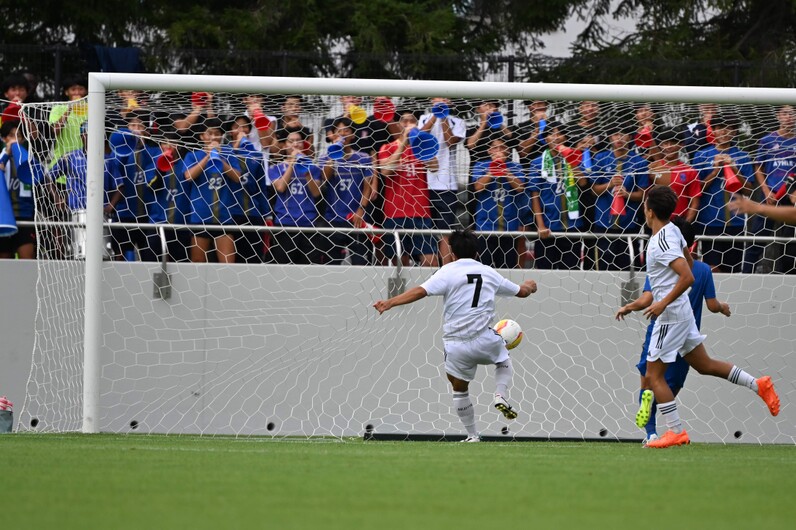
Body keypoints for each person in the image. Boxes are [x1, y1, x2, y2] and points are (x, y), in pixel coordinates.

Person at [619, 185, 779, 448]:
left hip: (670, 315)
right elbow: (689, 263)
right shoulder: (674, 231)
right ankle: (758, 384)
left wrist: (662, 302)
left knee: (653, 376)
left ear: (649, 211)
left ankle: (675, 431)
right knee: (705, 365)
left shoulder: (658, 242)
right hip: (682, 313)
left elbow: (688, 275)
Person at [373, 228, 538, 442]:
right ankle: (500, 394)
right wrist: (530, 286)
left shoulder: (447, 271)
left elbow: (420, 291)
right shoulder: (488, 272)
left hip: (456, 344)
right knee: (503, 358)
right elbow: (521, 292)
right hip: (485, 340)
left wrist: (390, 302)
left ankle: (472, 435)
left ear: (452, 252)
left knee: (459, 389)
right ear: (477, 252)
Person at [616, 216, 731, 445]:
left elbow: (647, 298)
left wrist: (630, 306)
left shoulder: (660, 258)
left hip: (662, 326)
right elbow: (711, 305)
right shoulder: (703, 270)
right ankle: (666, 426)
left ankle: (652, 433)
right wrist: (722, 308)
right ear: (693, 244)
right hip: (687, 331)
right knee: (672, 384)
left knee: (649, 378)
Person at [691, 113, 754, 273]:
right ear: (714, 130)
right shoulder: (701, 155)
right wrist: (715, 171)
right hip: (709, 222)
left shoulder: (743, 156)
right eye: (720, 128)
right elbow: (696, 189)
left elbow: (749, 190)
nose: (724, 132)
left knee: (732, 271)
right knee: (712, 269)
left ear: (734, 132)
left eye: (729, 128)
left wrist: (734, 168)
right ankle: (712, 298)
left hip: (736, 222)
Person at [377, 108, 439, 267]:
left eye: (412, 121)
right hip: (395, 212)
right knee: (399, 262)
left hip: (420, 211)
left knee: (430, 261)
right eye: (405, 121)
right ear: (398, 125)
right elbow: (385, 171)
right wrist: (403, 142)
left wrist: (421, 144)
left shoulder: (421, 146)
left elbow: (435, 167)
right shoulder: (386, 147)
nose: (409, 124)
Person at [528, 121, 587, 270]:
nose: (556, 137)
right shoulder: (537, 163)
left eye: (559, 133)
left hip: (572, 226)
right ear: (545, 139)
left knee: (571, 273)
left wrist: (572, 161)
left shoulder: (574, 158)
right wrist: (540, 225)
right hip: (548, 227)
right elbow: (535, 196)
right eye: (551, 134)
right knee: (545, 273)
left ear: (565, 137)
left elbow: (583, 183)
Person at [182, 118, 243, 263]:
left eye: (217, 133)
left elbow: (237, 177)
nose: (214, 137)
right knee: (198, 263)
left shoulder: (228, 154)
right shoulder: (193, 155)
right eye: (210, 133)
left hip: (224, 218)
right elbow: (188, 176)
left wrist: (219, 158)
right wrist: (208, 156)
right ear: (202, 136)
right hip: (200, 217)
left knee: (228, 265)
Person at [590, 124, 650, 270]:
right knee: (603, 271)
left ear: (629, 137)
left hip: (628, 225)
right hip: (603, 224)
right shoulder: (600, 158)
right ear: (610, 137)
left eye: (623, 134)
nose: (620, 138)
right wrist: (609, 185)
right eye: (616, 134)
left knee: (628, 269)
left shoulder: (640, 162)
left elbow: (643, 195)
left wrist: (627, 194)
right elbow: (593, 190)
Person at [318, 117, 375, 265]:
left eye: (346, 131)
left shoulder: (363, 158)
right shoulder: (325, 157)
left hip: (356, 218)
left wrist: (361, 210)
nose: (343, 134)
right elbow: (324, 177)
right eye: (339, 131)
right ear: (333, 134)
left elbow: (367, 186)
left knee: (360, 262)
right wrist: (334, 153)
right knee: (332, 263)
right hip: (333, 218)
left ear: (353, 135)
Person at [747, 105, 796, 274]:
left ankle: (789, 275)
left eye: (792, 114)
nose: (788, 117)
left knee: (791, 240)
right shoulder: (767, 140)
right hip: (771, 194)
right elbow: (758, 168)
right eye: (785, 113)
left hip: (791, 196)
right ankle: (746, 273)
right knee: (758, 236)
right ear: (778, 116)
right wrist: (766, 191)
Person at [418, 97, 467, 264]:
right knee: (426, 230)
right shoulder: (424, 118)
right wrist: (435, 116)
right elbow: (420, 137)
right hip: (424, 184)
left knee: (445, 231)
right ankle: (428, 267)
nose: (441, 102)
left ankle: (446, 269)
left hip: (447, 185)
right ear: (432, 100)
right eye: (438, 99)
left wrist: (443, 116)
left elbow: (449, 141)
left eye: (445, 99)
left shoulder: (457, 121)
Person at [267, 130, 323, 264]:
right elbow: (280, 187)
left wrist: (306, 169)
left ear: (303, 145)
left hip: (308, 223)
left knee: (307, 267)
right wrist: (292, 163)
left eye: (298, 141)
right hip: (285, 223)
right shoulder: (275, 168)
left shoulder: (313, 168)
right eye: (291, 141)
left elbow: (316, 193)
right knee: (284, 265)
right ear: (285, 146)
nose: (295, 144)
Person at [471, 138, 526, 268]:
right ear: (489, 150)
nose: (499, 151)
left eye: (502, 148)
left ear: (508, 151)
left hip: (509, 227)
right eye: (495, 148)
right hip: (486, 226)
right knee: (484, 268)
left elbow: (520, 187)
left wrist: (504, 169)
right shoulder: (480, 165)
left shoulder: (516, 167)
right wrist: (493, 170)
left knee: (507, 268)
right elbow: (478, 187)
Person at [0, 121, 44, 259]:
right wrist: (7, 154)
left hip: (25, 216)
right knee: (5, 263)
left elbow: (40, 178)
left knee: (27, 259)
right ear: (3, 139)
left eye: (18, 136)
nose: (15, 139)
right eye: (11, 136)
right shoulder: (2, 157)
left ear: (23, 139)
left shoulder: (29, 160)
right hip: (4, 217)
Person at [649, 129, 700, 223]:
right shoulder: (652, 168)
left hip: (679, 221)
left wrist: (685, 224)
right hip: (656, 222)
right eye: (665, 143)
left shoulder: (689, 171)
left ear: (681, 145)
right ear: (660, 145)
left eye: (673, 143)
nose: (669, 147)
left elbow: (695, 202)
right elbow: (645, 197)